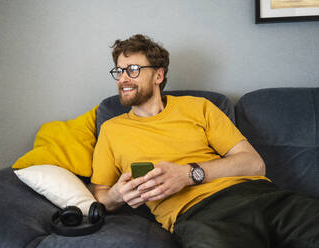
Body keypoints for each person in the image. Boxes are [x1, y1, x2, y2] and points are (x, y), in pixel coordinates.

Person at [90, 34, 319, 248]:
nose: (123, 79)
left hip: (259, 196)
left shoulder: (199, 107)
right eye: (119, 71)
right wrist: (116, 195)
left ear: (158, 75)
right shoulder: (112, 130)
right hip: (199, 216)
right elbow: (100, 193)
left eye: (132, 69)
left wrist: (187, 174)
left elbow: (254, 164)